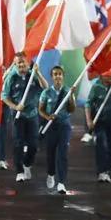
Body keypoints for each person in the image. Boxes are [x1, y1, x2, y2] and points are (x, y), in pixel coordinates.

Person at [3, 53, 47, 181]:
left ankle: (27, 164)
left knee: (33, 145)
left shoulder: (32, 75)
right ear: (15, 64)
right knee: (18, 143)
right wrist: (15, 107)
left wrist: (38, 73)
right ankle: (20, 171)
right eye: (18, 63)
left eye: (23, 62)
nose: (21, 65)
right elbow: (4, 96)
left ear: (28, 63)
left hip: (32, 115)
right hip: (18, 116)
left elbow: (45, 87)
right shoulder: (11, 77)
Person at [39, 66, 76, 194]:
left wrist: (70, 96)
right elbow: (41, 110)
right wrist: (48, 117)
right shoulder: (46, 92)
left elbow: (72, 109)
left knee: (63, 153)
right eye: (55, 74)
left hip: (64, 126)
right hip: (51, 127)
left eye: (60, 74)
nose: (58, 76)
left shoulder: (68, 91)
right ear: (52, 77)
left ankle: (61, 182)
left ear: (63, 76)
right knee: (51, 153)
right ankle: (50, 173)